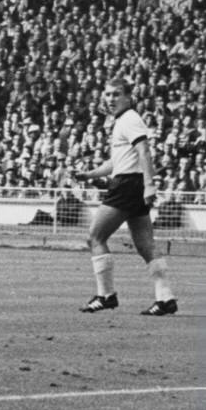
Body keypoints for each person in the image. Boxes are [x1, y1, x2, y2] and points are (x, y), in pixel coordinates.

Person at [72, 76, 177, 316]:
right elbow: (117, 161)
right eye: (107, 94)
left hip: (129, 184)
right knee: (145, 245)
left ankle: (106, 295)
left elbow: (144, 150)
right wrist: (89, 174)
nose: (110, 99)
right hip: (133, 182)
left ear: (128, 97)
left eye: (116, 94)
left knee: (95, 237)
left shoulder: (129, 119)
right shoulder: (123, 121)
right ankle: (166, 298)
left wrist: (150, 184)